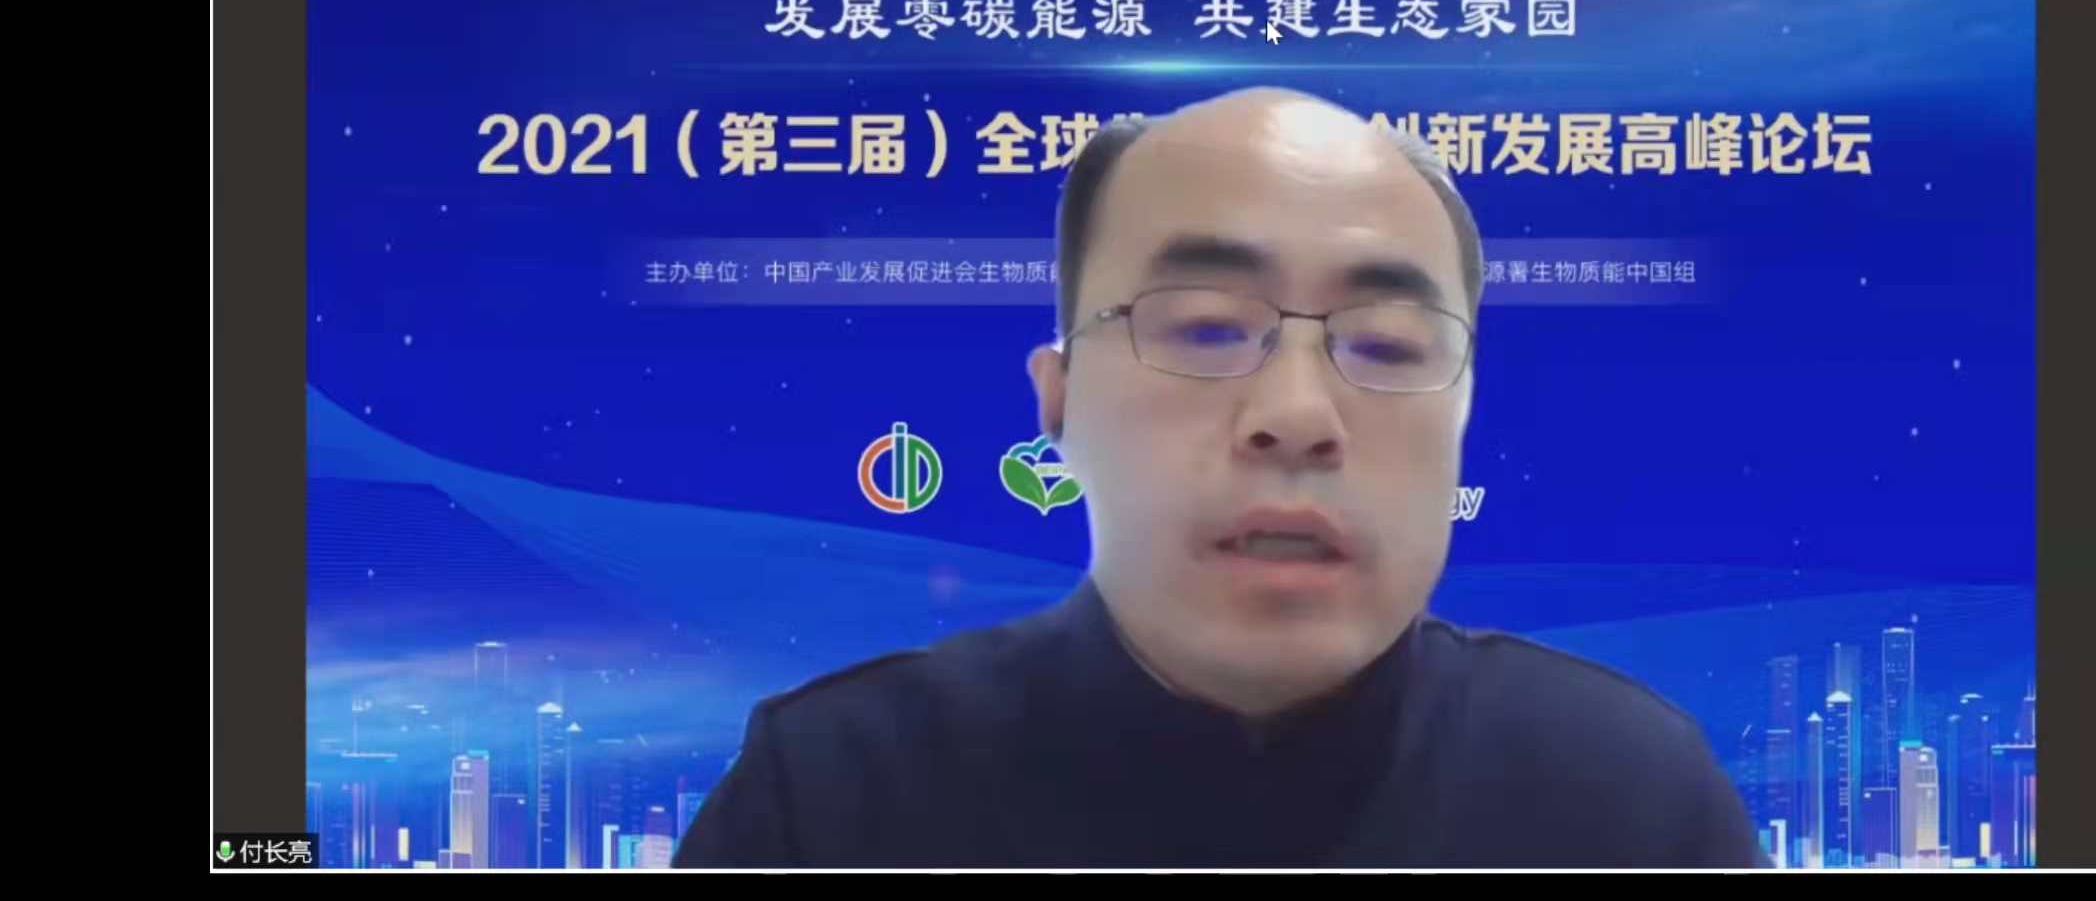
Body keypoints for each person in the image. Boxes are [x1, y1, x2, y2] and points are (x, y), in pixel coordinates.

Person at [674, 88, 1769, 870]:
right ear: (1059, 403)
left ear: (1464, 412)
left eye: (1388, 345)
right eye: (1203, 328)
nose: (1297, 417)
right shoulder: (828, 794)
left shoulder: (1631, 801)